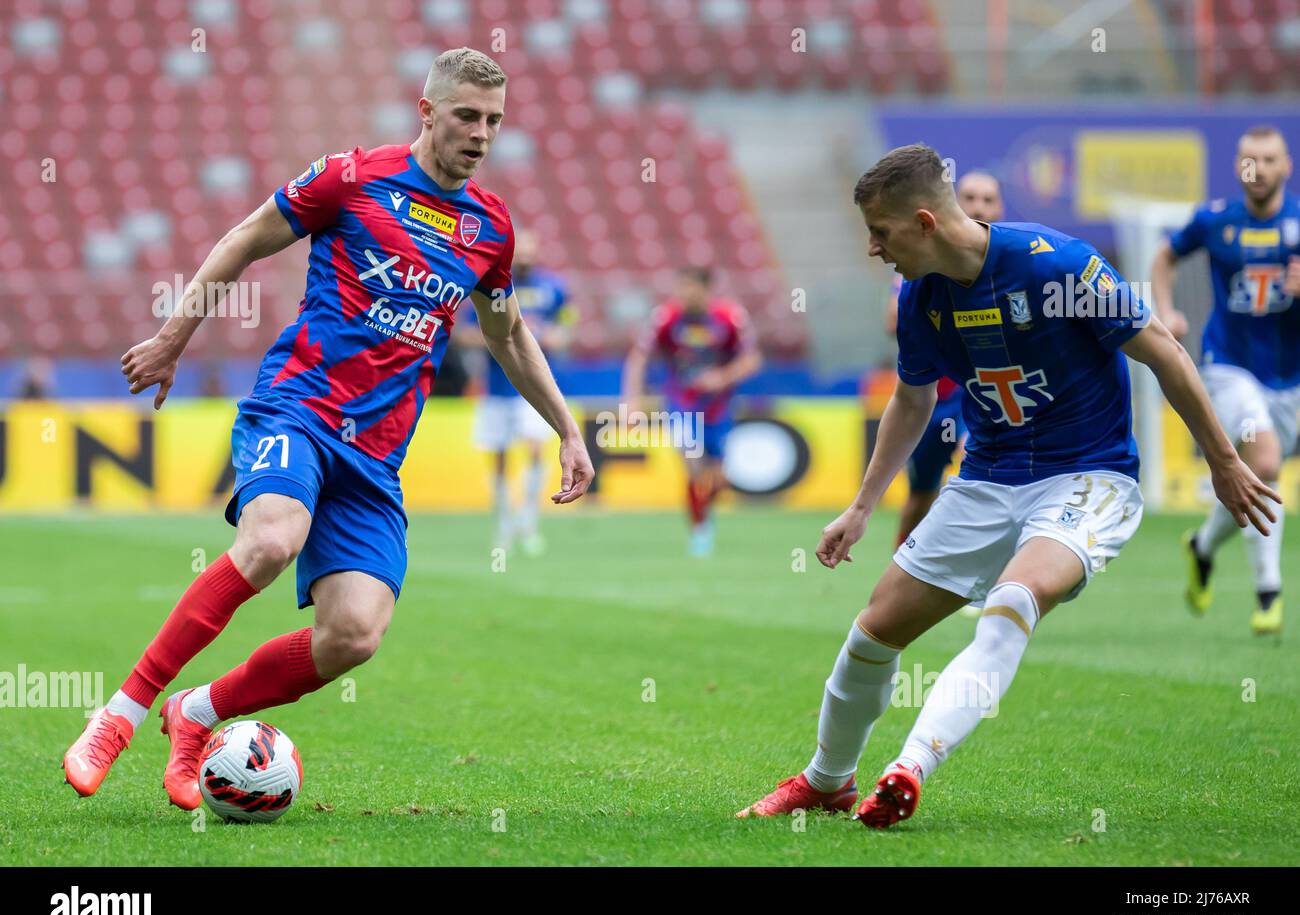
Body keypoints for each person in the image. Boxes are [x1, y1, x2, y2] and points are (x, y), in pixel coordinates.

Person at [63, 48, 594, 811]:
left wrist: (567, 431)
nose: (481, 134)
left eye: (494, 122)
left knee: (355, 635)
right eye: (467, 117)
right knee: (272, 540)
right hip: (299, 406)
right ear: (428, 112)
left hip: (375, 457)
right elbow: (245, 237)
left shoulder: (490, 227)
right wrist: (174, 336)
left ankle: (196, 713)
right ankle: (119, 717)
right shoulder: (352, 177)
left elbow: (507, 334)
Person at [737, 144, 1279, 828]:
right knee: (873, 634)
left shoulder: (1060, 265)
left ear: (926, 222)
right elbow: (912, 400)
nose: (873, 248)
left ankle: (909, 768)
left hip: (1089, 476)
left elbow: (1164, 353)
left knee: (1013, 601)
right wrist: (862, 506)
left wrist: (1223, 460)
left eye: (881, 231)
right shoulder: (919, 298)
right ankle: (827, 781)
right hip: (988, 480)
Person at [1151, 125, 1300, 636]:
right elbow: (1164, 257)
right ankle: (1268, 591)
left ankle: (1203, 546)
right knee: (1263, 460)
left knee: (1259, 475)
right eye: (1248, 159)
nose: (1257, 168)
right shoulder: (1215, 220)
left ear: (1287, 167)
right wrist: (1166, 310)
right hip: (1228, 364)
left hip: (1289, 377)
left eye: (1269, 159)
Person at [885, 170, 1004, 549]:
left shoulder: (1015, 263)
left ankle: (993, 575)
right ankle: (902, 567)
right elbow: (893, 320)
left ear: (1000, 207)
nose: (978, 206)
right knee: (921, 494)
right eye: (969, 197)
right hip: (934, 398)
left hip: (988, 395)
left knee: (986, 471)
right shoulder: (923, 264)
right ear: (953, 204)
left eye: (988, 199)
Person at [621, 266, 761, 557]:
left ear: (706, 290)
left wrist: (721, 378)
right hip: (681, 403)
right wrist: (631, 402)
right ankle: (700, 531)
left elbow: (752, 360)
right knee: (692, 464)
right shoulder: (666, 317)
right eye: (680, 289)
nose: (683, 295)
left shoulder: (730, 318)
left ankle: (704, 514)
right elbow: (639, 357)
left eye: (689, 289)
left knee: (718, 479)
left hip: (719, 407)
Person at [465, 228, 576, 554]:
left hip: (534, 390)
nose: (525, 256)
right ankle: (503, 525)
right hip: (497, 389)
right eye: (520, 251)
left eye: (530, 250)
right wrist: (498, 337)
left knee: (536, 449)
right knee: (499, 458)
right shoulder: (491, 284)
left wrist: (553, 336)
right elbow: (467, 332)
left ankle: (528, 523)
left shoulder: (555, 289)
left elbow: (568, 329)